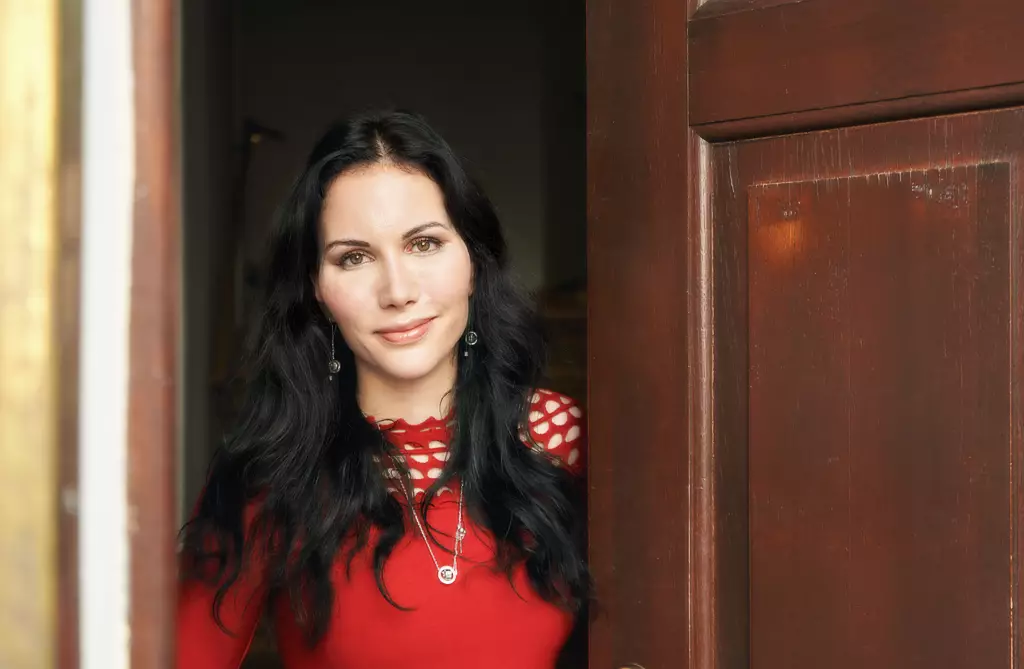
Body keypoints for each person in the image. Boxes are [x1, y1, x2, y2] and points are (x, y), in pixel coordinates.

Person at [177, 110, 590, 668]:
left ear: (473, 260)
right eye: (354, 257)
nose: (397, 291)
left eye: (424, 244)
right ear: (317, 288)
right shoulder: (271, 472)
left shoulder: (561, 438)